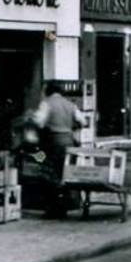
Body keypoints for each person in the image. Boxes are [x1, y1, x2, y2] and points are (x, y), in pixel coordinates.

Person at [32, 81, 87, 216]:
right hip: (69, 144)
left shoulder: (46, 103)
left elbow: (38, 122)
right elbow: (83, 121)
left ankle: (54, 209)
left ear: (48, 90)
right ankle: (66, 205)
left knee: (49, 172)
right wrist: (72, 128)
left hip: (52, 143)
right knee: (64, 173)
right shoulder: (70, 104)